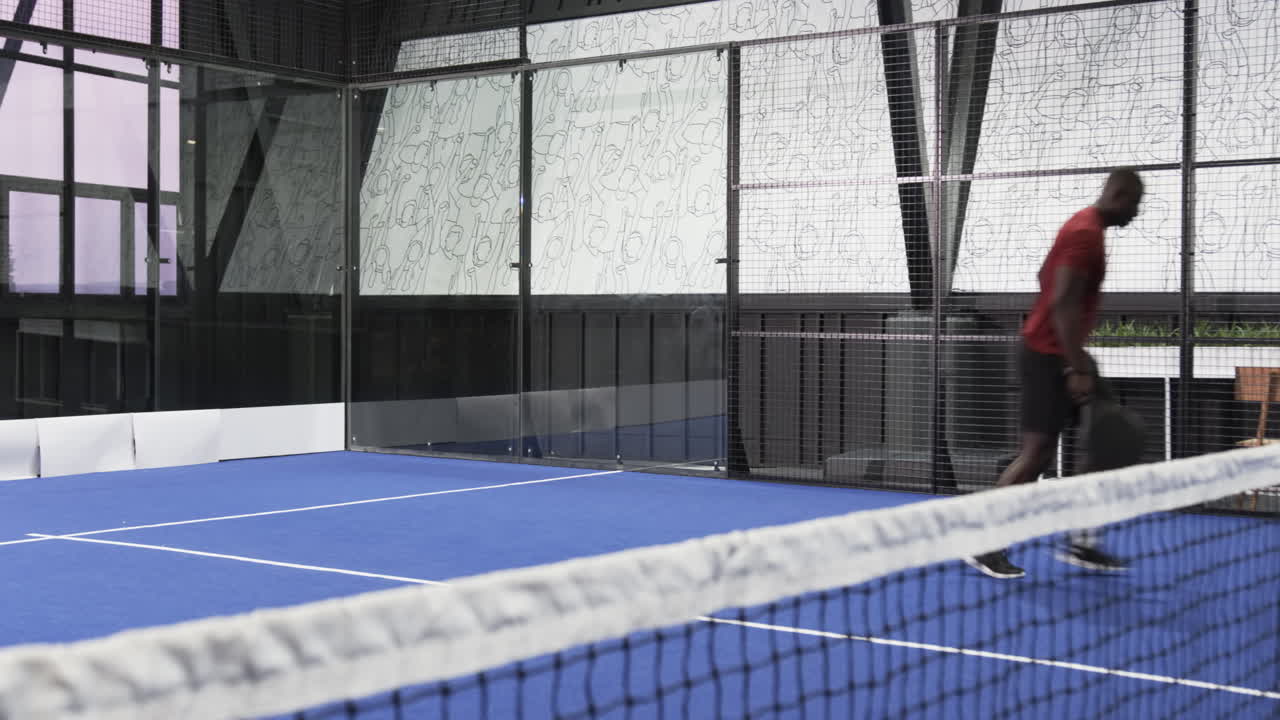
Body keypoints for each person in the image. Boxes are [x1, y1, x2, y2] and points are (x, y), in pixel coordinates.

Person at [966, 168, 1145, 580]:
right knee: (1036, 456)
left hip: (1063, 352)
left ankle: (1082, 539)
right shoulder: (1084, 234)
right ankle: (984, 541)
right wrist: (1074, 366)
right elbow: (1062, 301)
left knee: (1101, 439)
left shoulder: (1086, 228)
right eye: (1134, 204)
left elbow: (1046, 280)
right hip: (1047, 356)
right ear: (1117, 195)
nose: (1136, 214)